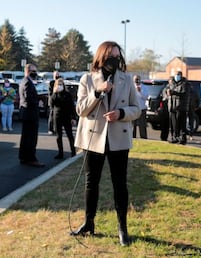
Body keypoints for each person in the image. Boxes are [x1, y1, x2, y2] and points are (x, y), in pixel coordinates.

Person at [72, 41, 141, 246]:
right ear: (101, 56)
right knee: (91, 182)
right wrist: (97, 92)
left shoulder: (126, 80)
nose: (114, 59)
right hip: (93, 139)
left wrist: (121, 113)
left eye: (117, 56)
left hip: (118, 138)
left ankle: (122, 228)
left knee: (120, 183)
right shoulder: (87, 79)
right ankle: (88, 223)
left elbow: (136, 109)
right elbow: (81, 110)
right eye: (110, 55)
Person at [18, 64, 45, 168]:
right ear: (28, 71)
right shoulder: (27, 83)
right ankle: (31, 158)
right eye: (34, 71)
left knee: (25, 137)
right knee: (31, 138)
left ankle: (24, 157)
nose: (35, 73)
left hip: (26, 114)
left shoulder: (25, 81)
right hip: (30, 114)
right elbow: (28, 98)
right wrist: (38, 102)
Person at [50, 77, 77, 159]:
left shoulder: (67, 94)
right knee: (59, 136)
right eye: (58, 84)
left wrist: (73, 117)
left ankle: (73, 152)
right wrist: (55, 93)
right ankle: (60, 153)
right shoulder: (54, 95)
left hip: (67, 116)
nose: (60, 86)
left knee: (69, 135)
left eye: (61, 84)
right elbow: (52, 105)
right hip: (57, 116)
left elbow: (72, 106)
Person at [165, 71, 190, 144]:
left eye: (178, 75)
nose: (177, 76)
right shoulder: (171, 83)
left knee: (181, 124)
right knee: (173, 124)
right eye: (176, 75)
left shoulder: (185, 84)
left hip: (181, 107)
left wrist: (173, 92)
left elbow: (184, 94)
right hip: (172, 107)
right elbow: (165, 91)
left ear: (181, 76)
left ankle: (182, 139)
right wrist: (167, 92)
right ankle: (174, 137)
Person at [132, 75, 148, 139]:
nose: (136, 80)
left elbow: (145, 97)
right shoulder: (131, 87)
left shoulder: (144, 87)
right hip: (133, 108)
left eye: (138, 79)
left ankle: (143, 137)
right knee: (133, 125)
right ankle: (132, 138)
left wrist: (140, 91)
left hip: (142, 108)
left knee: (142, 125)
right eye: (135, 79)